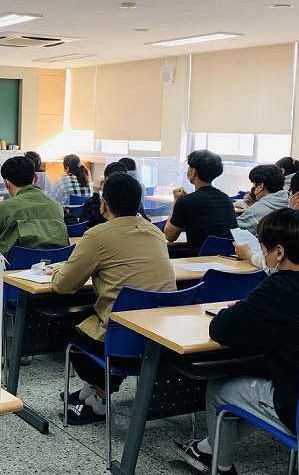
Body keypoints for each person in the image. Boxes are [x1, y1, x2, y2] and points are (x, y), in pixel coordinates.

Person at [174, 209, 299, 475]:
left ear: (279, 252)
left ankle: (218, 465)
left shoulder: (276, 290)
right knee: (267, 378)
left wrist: (244, 308)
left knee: (220, 388)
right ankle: (207, 448)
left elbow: (221, 330)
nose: (262, 256)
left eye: (263, 249)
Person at [52, 172, 176, 425]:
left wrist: (56, 270)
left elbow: (64, 285)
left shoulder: (97, 235)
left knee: (69, 324)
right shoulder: (155, 232)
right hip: (161, 334)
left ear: (104, 205)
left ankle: (99, 400)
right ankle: (92, 391)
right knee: (114, 317)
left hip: (123, 339)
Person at [0, 156, 68, 258]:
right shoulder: (56, 206)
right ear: (35, 178)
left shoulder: (3, 209)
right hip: (53, 266)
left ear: (6, 183)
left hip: (11, 267)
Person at [165, 150, 237, 256]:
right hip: (228, 258)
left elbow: (169, 236)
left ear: (193, 172)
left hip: (199, 259)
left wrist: (176, 201)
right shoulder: (225, 199)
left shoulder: (185, 202)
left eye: (189, 167)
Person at [80, 162, 148, 228]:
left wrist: (96, 194)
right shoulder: (133, 198)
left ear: (105, 181)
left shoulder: (105, 203)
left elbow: (85, 222)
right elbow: (145, 220)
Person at [235, 164, 288, 234]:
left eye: (254, 185)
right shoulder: (289, 201)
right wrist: (254, 205)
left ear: (261, 186)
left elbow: (234, 228)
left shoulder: (257, 210)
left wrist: (255, 207)